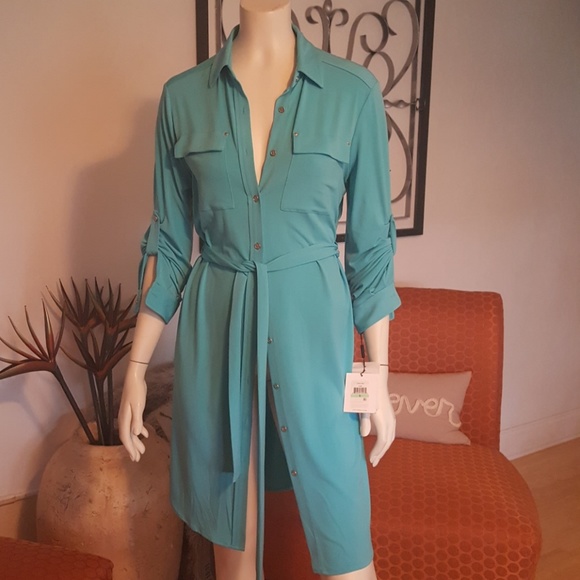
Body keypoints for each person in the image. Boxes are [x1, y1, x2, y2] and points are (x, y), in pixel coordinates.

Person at [118, 1, 401, 578]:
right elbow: (169, 246)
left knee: (348, 546)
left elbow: (371, 249)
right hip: (216, 338)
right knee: (233, 552)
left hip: (316, 341)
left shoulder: (353, 93)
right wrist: (136, 366)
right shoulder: (182, 98)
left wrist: (378, 376)